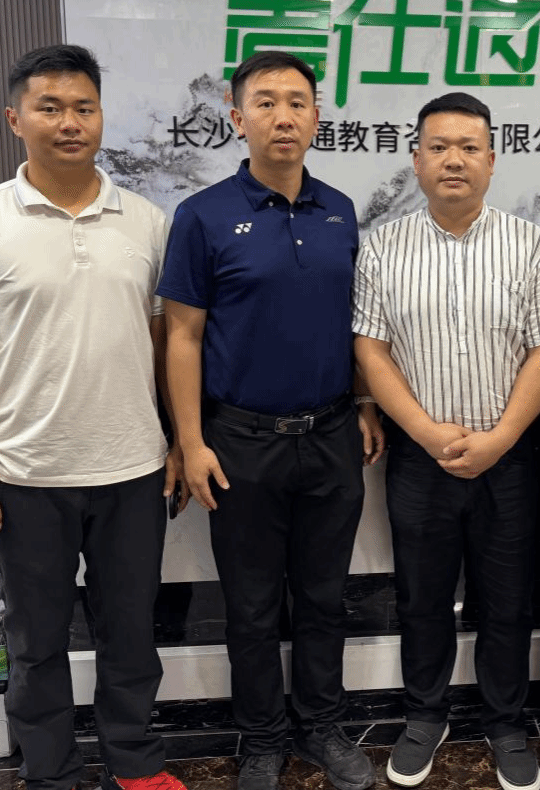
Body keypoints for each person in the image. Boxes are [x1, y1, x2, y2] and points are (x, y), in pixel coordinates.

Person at [0, 44, 185, 790]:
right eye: (50, 107)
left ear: (101, 117)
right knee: (36, 641)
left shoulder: (146, 220)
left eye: (83, 107)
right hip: (23, 473)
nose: (69, 122)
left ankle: (133, 760)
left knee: (130, 631)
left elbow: (165, 343)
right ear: (16, 119)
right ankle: (50, 772)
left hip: (132, 469)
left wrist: (175, 441)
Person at [158, 51, 383, 790]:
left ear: (316, 117)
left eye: (296, 102)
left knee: (323, 598)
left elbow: (355, 323)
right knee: (251, 607)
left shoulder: (340, 211)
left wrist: (363, 403)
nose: (282, 116)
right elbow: (182, 337)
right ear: (237, 117)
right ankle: (260, 737)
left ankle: (322, 725)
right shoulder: (201, 216)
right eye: (265, 102)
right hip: (239, 443)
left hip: (330, 438)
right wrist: (190, 441)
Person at [354, 92, 540, 790]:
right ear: (416, 160)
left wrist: (501, 438)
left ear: (492, 160)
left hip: (507, 459)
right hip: (421, 460)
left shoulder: (532, 244)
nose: (454, 160)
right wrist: (423, 430)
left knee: (507, 599)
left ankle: (505, 722)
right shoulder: (383, 246)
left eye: (469, 147)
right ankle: (425, 714)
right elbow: (371, 348)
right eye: (439, 147)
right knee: (422, 596)